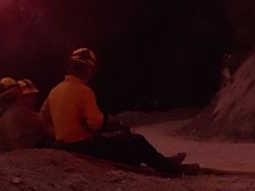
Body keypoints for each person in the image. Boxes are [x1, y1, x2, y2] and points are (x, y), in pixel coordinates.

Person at [40, 48, 192, 177]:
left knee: (122, 146)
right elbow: (95, 123)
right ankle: (171, 170)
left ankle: (161, 161)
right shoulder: (83, 91)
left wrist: (59, 132)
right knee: (136, 141)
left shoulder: (54, 91)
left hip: (64, 145)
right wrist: (109, 123)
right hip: (83, 147)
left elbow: (43, 118)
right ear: (88, 70)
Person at [0, 76, 48, 151]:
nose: (31, 100)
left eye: (32, 96)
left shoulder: (2, 118)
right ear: (17, 95)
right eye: (26, 96)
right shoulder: (22, 114)